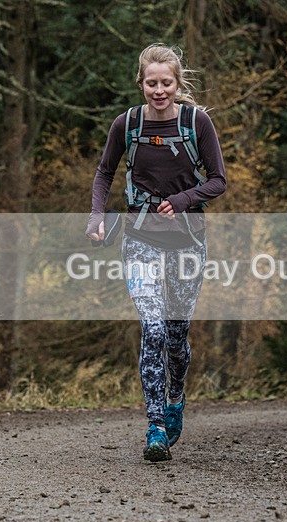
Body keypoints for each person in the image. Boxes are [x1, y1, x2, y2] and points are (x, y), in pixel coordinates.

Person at [86, 43, 227, 462]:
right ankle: (156, 426)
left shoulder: (196, 122)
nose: (159, 90)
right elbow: (104, 172)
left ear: (177, 83)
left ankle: (176, 395)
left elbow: (218, 181)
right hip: (140, 238)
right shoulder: (127, 124)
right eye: (152, 83)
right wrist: (96, 215)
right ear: (141, 83)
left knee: (177, 336)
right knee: (152, 328)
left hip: (188, 241)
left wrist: (183, 199)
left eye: (167, 83)